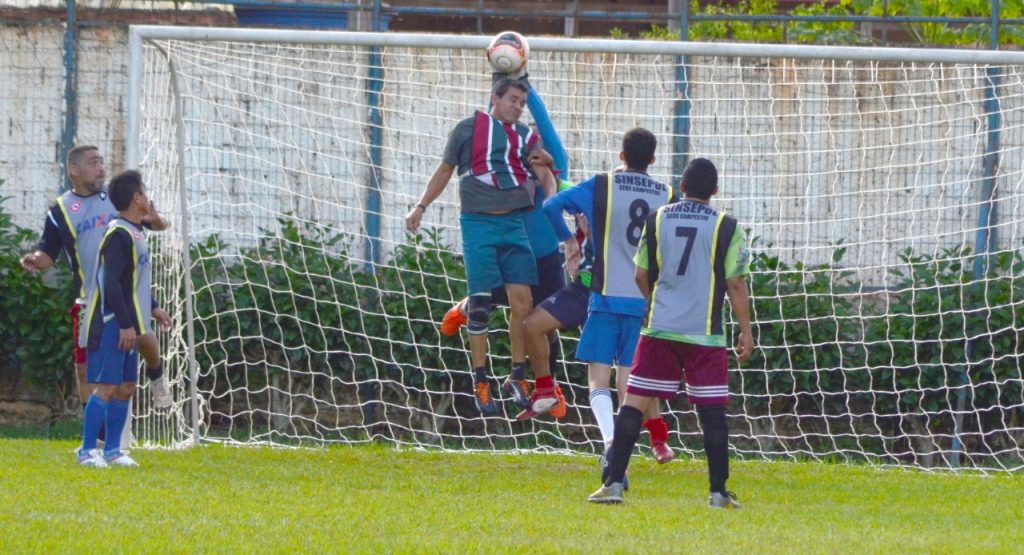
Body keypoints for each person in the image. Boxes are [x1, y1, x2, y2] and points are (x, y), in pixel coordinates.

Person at [588, 158, 754, 507]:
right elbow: (736, 283)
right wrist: (745, 330)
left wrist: (657, 303)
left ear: (681, 187)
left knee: (633, 405)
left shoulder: (657, 218)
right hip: (704, 333)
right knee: (712, 413)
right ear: (715, 191)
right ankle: (718, 493)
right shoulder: (726, 226)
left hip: (659, 328)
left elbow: (640, 275)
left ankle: (613, 484)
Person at [405, 78, 563, 418]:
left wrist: (550, 192)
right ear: (495, 98)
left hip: (515, 225)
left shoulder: (526, 137)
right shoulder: (468, 129)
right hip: (478, 224)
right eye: (513, 100)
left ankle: (517, 377)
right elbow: (445, 170)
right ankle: (481, 381)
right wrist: (420, 206)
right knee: (480, 305)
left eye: (522, 102)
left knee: (524, 304)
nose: (518, 107)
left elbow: (547, 172)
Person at [538, 129, 676, 466]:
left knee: (598, 377)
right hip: (643, 300)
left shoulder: (602, 186)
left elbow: (551, 205)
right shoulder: (667, 194)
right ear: (653, 159)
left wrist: (570, 241)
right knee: (630, 379)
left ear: (621, 156)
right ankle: (636, 446)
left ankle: (611, 440)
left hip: (604, 294)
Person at [19, 146, 171, 428]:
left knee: (144, 338)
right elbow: (48, 252)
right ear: (74, 170)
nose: (101, 167)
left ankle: (157, 376)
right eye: (93, 163)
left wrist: (157, 219)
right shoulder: (60, 209)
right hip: (89, 299)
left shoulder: (116, 199)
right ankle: (97, 434)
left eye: (101, 162)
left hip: (126, 290)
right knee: (84, 367)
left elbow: (157, 224)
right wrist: (35, 259)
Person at [77, 170, 172, 467]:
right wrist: (127, 325)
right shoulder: (118, 234)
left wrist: (153, 307)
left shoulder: (135, 231)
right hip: (111, 321)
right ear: (136, 197)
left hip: (129, 320)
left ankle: (113, 451)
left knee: (127, 385)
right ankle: (87, 451)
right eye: (145, 191)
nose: (148, 197)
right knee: (107, 386)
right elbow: (112, 284)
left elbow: (132, 281)